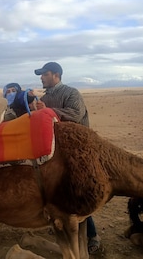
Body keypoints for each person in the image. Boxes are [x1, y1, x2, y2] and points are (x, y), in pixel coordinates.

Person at [34, 61, 101, 254]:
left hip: (80, 154)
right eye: (41, 75)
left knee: (78, 195)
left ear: (56, 75)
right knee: (59, 194)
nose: (41, 77)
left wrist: (47, 111)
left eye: (44, 74)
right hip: (57, 155)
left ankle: (92, 236)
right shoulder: (45, 97)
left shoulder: (71, 93)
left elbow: (75, 114)